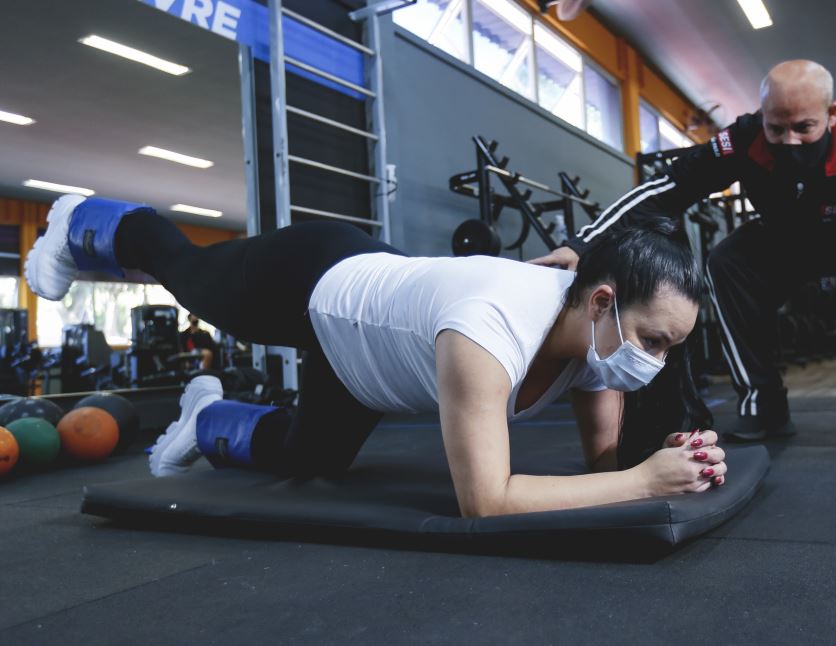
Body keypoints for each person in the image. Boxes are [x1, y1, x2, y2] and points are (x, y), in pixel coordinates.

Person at [25, 194, 724, 518]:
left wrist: (669, 461)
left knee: (311, 460)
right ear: (601, 302)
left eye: (670, 346)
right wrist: (645, 484)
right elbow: (488, 501)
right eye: (653, 340)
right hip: (317, 279)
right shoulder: (487, 332)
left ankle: (206, 420)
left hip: (365, 367)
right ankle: (83, 218)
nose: (655, 362)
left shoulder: (598, 343)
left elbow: (602, 467)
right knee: (190, 275)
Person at [531, 59, 836, 455]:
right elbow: (669, 188)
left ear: (832, 114)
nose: (789, 141)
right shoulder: (743, 138)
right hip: (789, 238)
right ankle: (763, 402)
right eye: (777, 129)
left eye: (804, 128)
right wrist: (582, 245)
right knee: (728, 262)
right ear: (762, 117)